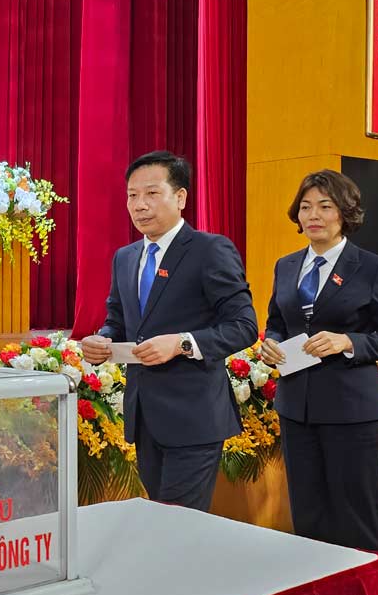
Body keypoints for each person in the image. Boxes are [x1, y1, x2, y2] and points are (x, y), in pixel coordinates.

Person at [81, 151, 257, 512]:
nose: (139, 205)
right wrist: (104, 338)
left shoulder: (210, 250)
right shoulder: (126, 257)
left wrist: (182, 343)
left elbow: (243, 326)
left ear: (180, 198)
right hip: (145, 417)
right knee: (159, 517)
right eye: (132, 195)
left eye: (151, 193)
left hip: (194, 417)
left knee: (181, 524)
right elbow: (118, 318)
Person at [257, 170, 378, 557]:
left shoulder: (373, 267)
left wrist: (348, 341)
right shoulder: (286, 266)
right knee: (308, 518)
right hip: (296, 409)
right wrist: (270, 344)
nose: (313, 215)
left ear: (345, 213)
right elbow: (277, 322)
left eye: (325, 206)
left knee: (355, 518)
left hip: (352, 411)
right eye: (306, 207)